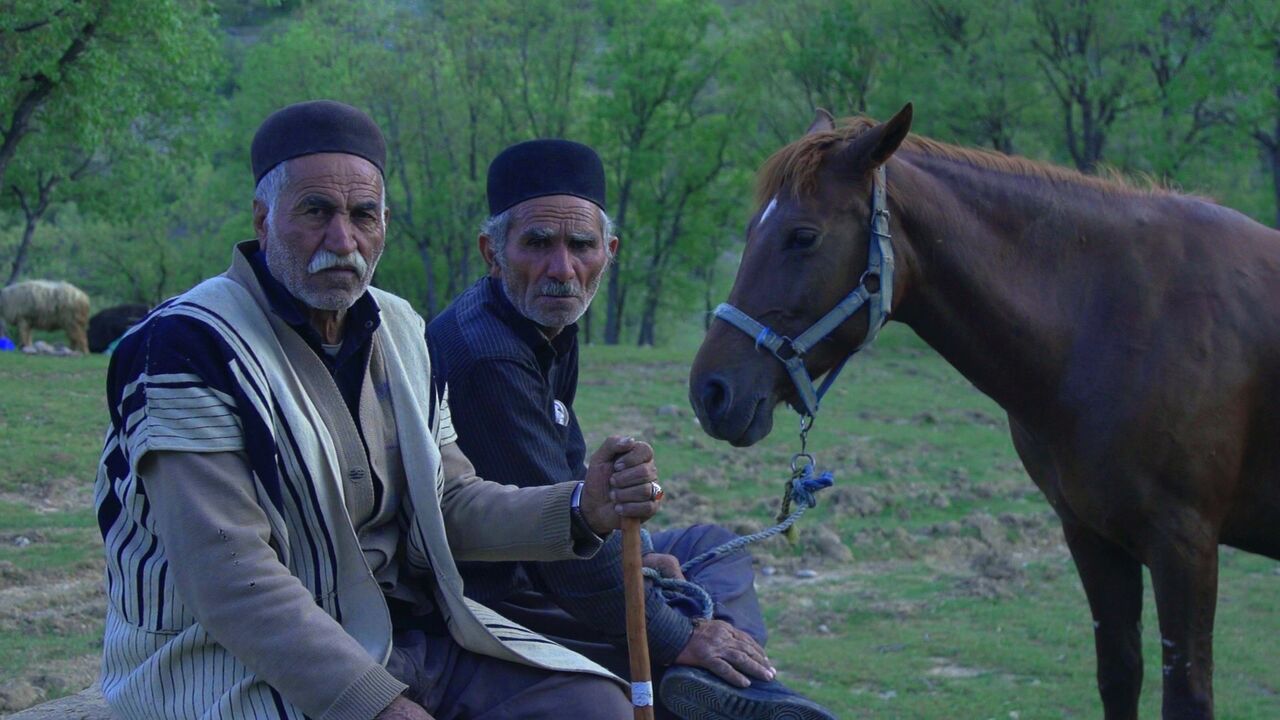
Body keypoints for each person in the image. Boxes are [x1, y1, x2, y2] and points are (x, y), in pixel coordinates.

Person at [92, 101, 664, 720]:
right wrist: (374, 703)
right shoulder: (184, 345)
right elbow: (229, 578)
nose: (343, 240)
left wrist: (583, 506)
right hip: (238, 661)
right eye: (316, 212)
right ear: (263, 219)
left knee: (589, 706)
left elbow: (450, 504)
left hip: (407, 639)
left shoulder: (399, 327)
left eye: (363, 214)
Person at [427, 139, 837, 720]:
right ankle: (722, 682)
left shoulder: (542, 322)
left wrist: (639, 552)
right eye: (537, 244)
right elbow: (559, 554)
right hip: (505, 586)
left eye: (581, 245)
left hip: (561, 548)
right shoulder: (489, 356)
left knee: (709, 546)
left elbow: (567, 479)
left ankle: (718, 681)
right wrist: (677, 633)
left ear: (609, 251)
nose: (561, 269)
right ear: (491, 252)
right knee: (675, 621)